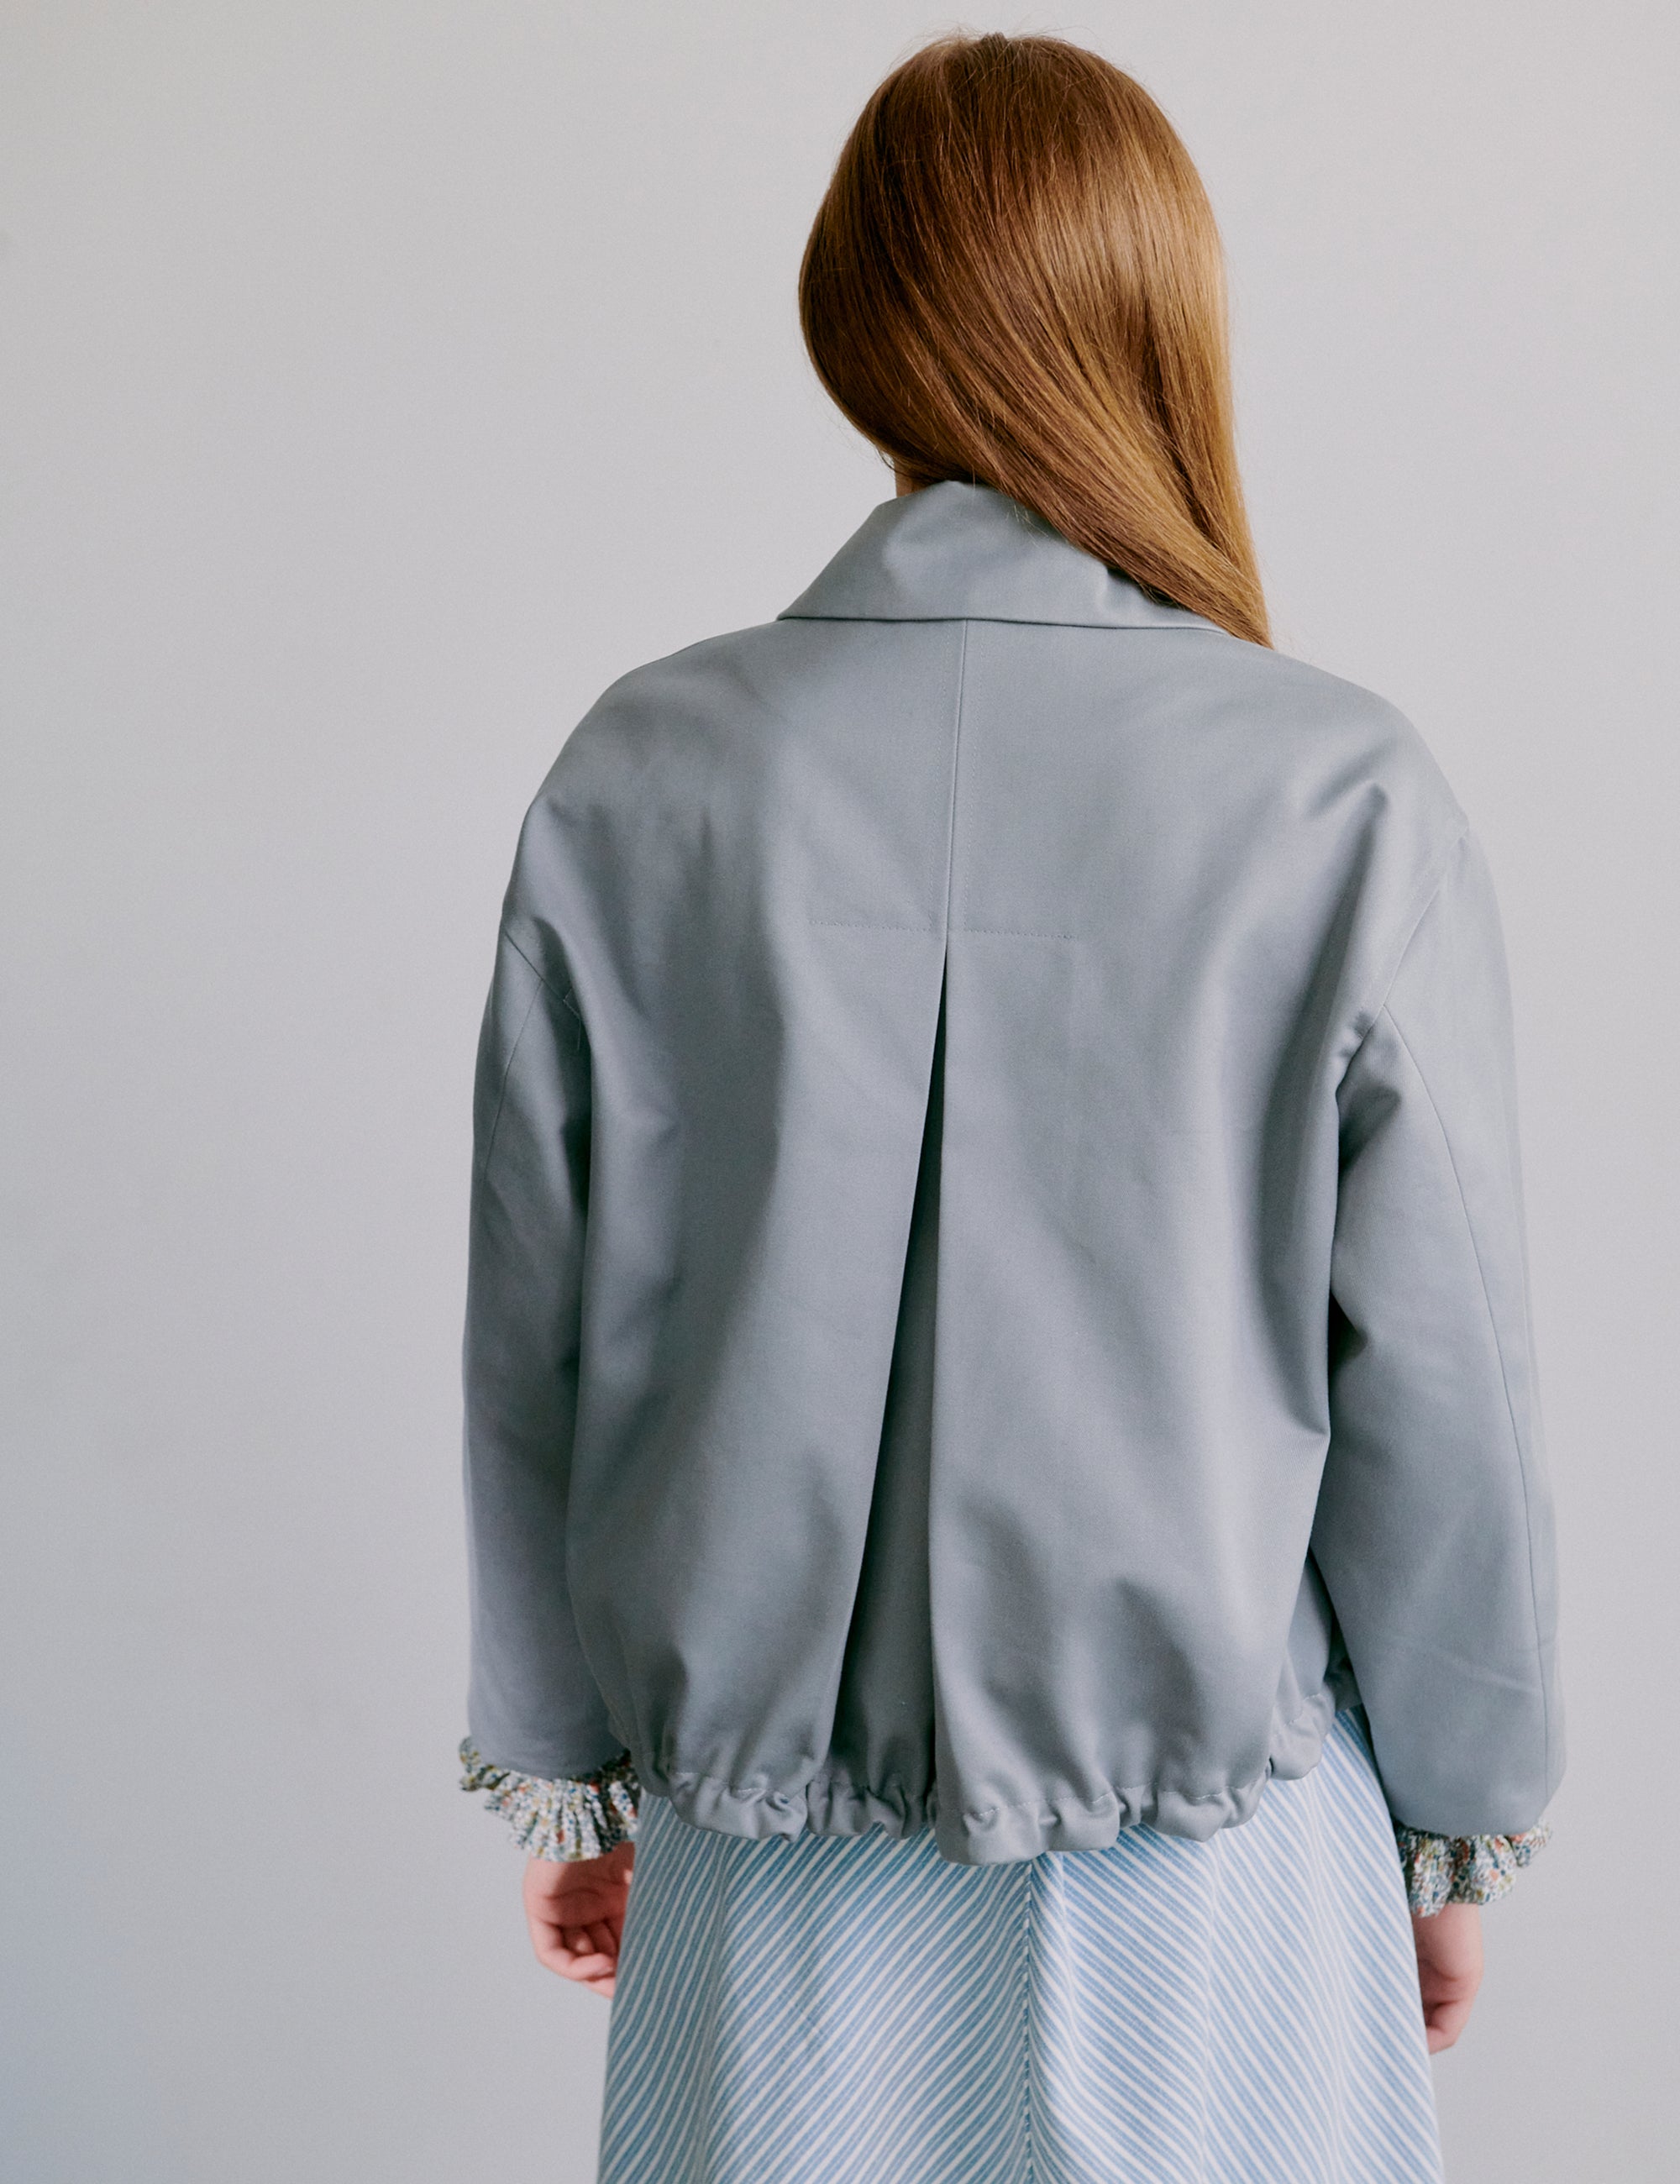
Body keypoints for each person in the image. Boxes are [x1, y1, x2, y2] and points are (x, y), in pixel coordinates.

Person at [457, 32, 1561, 2181]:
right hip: (1216, 1861)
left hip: (766, 1854)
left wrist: (567, 1764)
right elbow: (1447, 1377)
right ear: (1162, 315)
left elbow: (536, 1332)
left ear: (849, 311)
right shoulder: (1331, 786)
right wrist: (1450, 1825)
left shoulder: (645, 768)